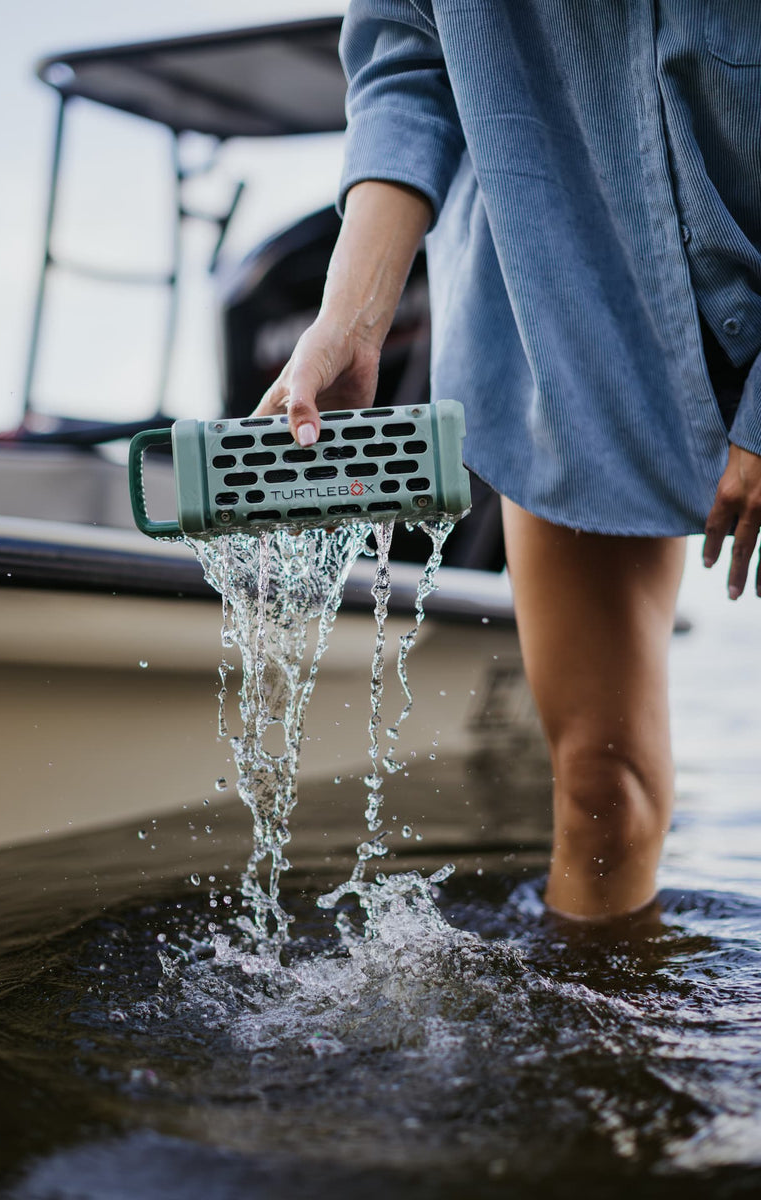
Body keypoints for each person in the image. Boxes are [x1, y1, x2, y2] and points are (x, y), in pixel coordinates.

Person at [254, 1, 761, 921]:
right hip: (566, 305)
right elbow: (411, 61)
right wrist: (353, 313)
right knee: (602, 795)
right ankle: (596, 1062)